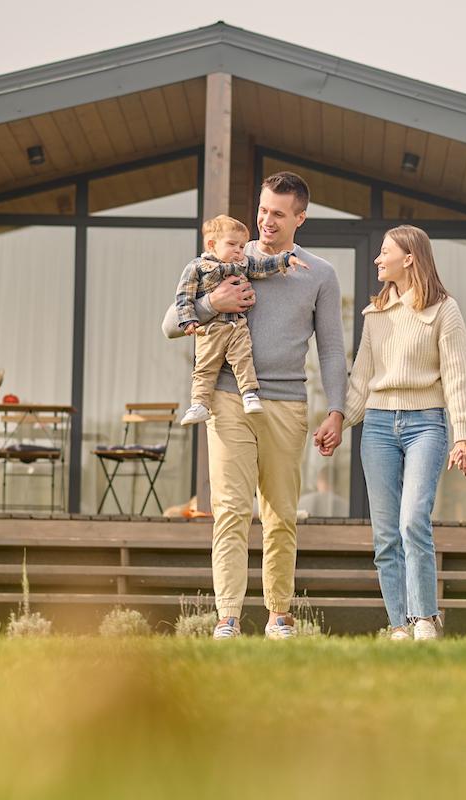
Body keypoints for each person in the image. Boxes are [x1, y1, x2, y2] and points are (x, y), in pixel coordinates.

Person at [161, 172, 346, 640]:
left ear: (299, 218)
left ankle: (278, 614)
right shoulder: (225, 262)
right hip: (226, 398)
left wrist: (338, 410)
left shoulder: (319, 274)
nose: (265, 220)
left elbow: (329, 349)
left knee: (281, 514)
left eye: (278, 214)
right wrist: (210, 303)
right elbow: (169, 324)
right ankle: (227, 617)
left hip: (286, 405)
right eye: (262, 209)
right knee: (230, 510)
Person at [326, 225, 466, 640]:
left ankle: (424, 617)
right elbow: (361, 378)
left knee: (413, 520)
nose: (377, 259)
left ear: (409, 257)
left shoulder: (443, 310)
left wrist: (463, 433)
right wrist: (339, 418)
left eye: (384, 252)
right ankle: (398, 623)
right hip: (376, 426)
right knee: (385, 533)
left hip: (425, 423)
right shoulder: (375, 315)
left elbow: (456, 377)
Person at [175, 214, 305, 424]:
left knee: (243, 359)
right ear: (212, 244)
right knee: (204, 367)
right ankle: (199, 404)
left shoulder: (243, 264)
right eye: (232, 244)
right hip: (210, 330)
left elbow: (263, 266)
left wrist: (285, 259)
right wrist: (189, 320)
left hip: (236, 326)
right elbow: (184, 296)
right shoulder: (197, 267)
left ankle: (249, 394)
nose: (238, 250)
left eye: (242, 246)